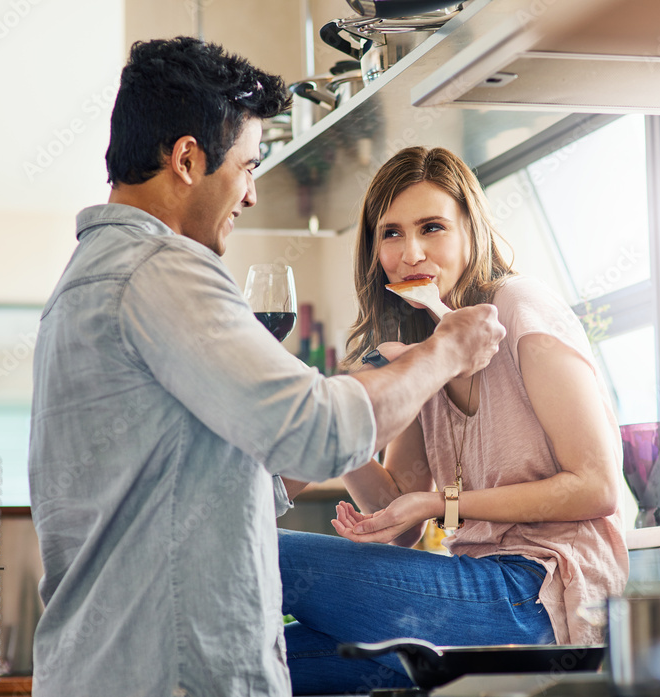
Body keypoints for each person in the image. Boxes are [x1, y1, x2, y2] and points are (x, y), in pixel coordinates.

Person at [27, 40, 504, 697]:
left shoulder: (90, 281)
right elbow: (317, 429)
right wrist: (445, 350)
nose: (251, 194)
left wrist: (375, 381)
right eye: (249, 166)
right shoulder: (161, 267)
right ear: (188, 159)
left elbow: (215, 472)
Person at [277, 146, 630, 694]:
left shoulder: (520, 307)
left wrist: (444, 505)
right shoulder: (424, 346)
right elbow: (403, 517)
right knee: (248, 668)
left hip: (541, 597)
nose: (410, 252)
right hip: (472, 597)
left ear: (471, 230)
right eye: (390, 233)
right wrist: (346, 417)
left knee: (263, 549)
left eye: (432, 228)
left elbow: (598, 486)